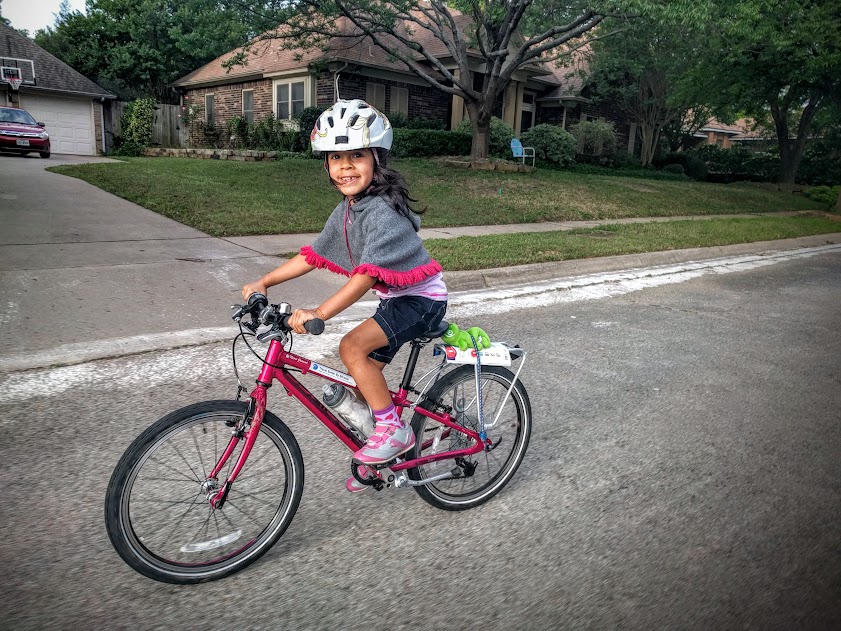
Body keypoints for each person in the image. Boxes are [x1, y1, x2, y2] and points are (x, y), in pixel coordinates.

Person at [241, 99, 447, 492]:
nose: (346, 166)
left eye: (357, 155)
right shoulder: (350, 208)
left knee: (352, 348)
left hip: (422, 301)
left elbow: (366, 276)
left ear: (377, 160)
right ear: (326, 164)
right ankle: (385, 453)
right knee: (360, 381)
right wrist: (265, 281)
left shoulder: (383, 211)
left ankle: (393, 432)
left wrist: (319, 312)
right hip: (398, 301)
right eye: (336, 157)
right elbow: (313, 255)